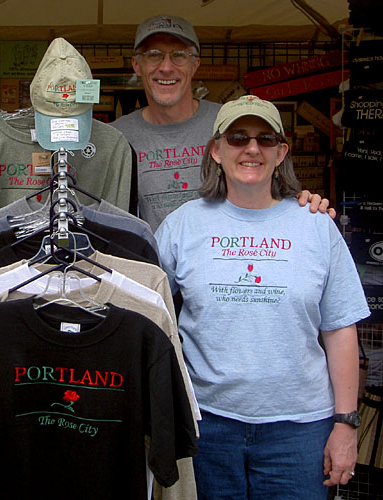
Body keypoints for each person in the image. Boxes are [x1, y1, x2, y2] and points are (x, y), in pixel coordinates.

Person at [154, 95, 370, 500]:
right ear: (216, 150)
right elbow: (149, 310)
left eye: (265, 139)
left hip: (301, 430)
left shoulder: (316, 227)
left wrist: (345, 424)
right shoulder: (182, 225)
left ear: (281, 152)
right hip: (207, 423)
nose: (251, 149)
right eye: (238, 138)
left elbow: (340, 329)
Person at [111, 14, 333, 231]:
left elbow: (271, 192)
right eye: (154, 55)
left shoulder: (232, 124)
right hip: (148, 265)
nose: (166, 67)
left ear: (195, 64)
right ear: (136, 65)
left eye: (179, 55)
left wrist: (301, 202)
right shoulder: (116, 137)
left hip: (228, 259)